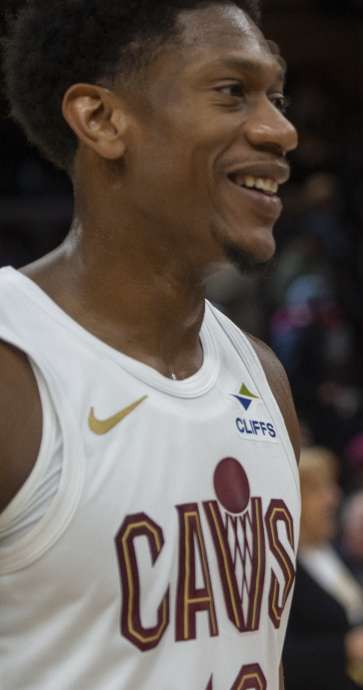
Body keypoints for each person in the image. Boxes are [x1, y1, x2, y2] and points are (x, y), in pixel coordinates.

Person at [0, 2, 303, 688]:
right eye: (233, 91)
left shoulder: (261, 377)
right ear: (102, 120)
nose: (280, 130)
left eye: (277, 98)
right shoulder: (15, 367)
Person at [285, 449, 363, 690]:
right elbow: (280, 653)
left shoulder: (329, 550)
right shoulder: (282, 565)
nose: (334, 497)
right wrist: (346, 648)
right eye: (319, 489)